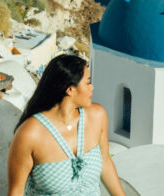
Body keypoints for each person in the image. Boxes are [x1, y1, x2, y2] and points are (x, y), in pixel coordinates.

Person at [7, 54, 126, 196]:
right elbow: (16, 192)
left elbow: (105, 161)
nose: (92, 87)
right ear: (70, 89)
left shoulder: (97, 116)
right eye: (87, 82)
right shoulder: (30, 134)